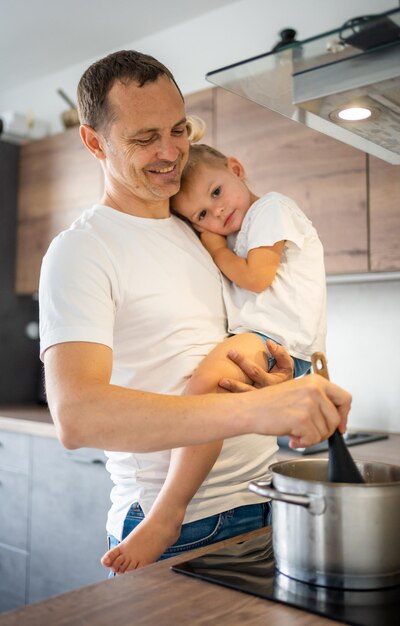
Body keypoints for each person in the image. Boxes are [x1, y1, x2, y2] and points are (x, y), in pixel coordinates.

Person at [38, 50, 351, 576]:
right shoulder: (83, 249)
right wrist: (255, 412)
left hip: (265, 501)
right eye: (143, 138)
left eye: (178, 129)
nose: (170, 152)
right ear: (95, 141)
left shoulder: (203, 234)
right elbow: (77, 416)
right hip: (181, 528)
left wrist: (271, 384)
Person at [101, 142, 327, 573]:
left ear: (237, 168)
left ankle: (167, 515)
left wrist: (217, 248)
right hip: (271, 340)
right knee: (215, 393)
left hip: (276, 339)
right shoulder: (245, 229)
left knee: (205, 389)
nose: (216, 214)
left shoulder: (271, 209)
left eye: (217, 193)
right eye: (201, 214)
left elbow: (258, 279)